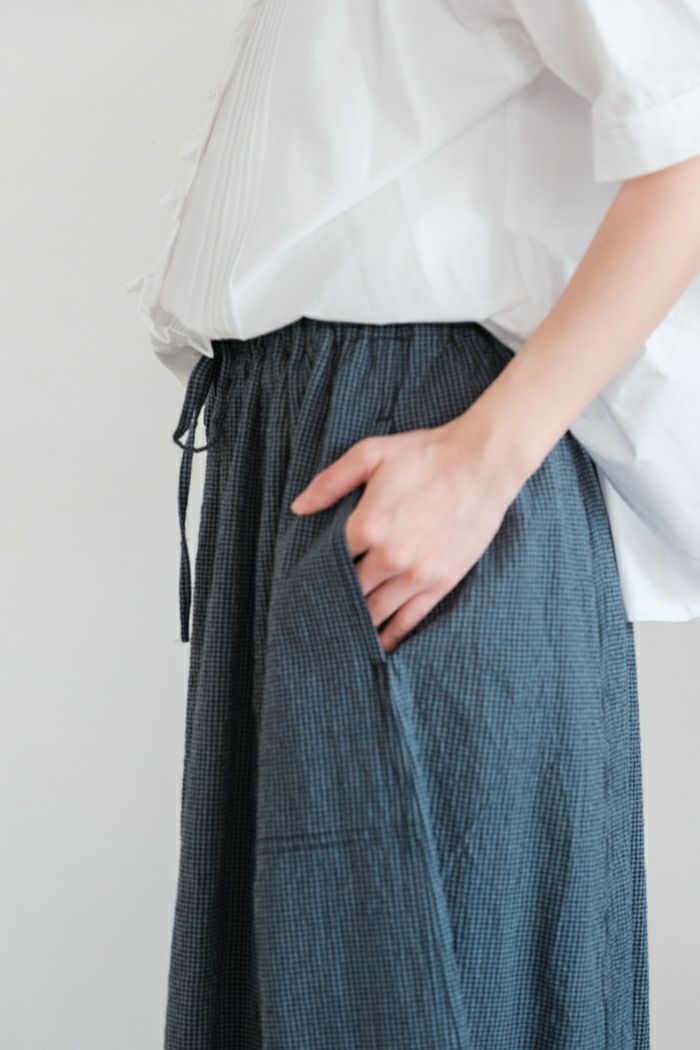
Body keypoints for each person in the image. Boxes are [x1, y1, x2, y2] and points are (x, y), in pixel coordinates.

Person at [124, 2, 700, 1047]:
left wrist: (485, 458)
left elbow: (686, 143)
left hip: (416, 431)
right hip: (310, 442)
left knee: (418, 992)